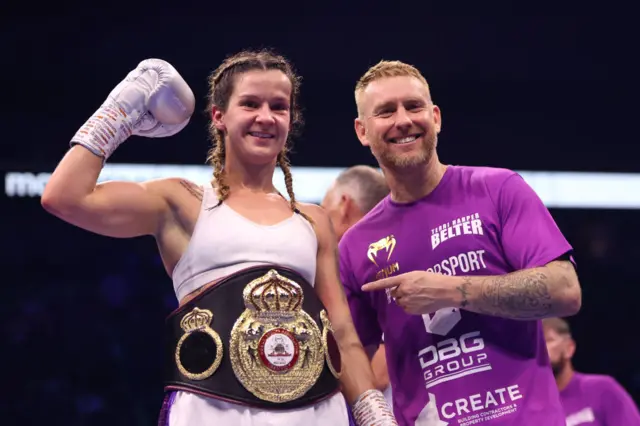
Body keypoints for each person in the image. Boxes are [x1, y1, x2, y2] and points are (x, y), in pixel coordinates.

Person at [41, 50, 396, 426]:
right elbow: (64, 197)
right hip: (211, 412)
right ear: (219, 116)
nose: (265, 116)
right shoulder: (183, 202)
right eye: (250, 103)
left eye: (279, 106)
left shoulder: (313, 220)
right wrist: (122, 109)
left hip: (314, 413)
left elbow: (342, 333)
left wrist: (377, 417)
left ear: (291, 119)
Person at [338, 59, 583, 425]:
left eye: (414, 106)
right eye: (386, 111)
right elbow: (351, 351)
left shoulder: (498, 189)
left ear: (435, 117)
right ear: (362, 131)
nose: (403, 120)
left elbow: (565, 290)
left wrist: (454, 290)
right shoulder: (356, 245)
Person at [321, 165, 392, 405]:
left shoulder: (366, 263)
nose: (319, 218)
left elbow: (379, 375)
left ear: (344, 204)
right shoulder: (394, 254)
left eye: (323, 207)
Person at [543, 317, 640, 426]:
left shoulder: (602, 389)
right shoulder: (526, 408)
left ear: (569, 348)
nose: (539, 349)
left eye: (547, 340)